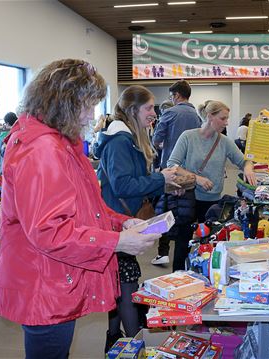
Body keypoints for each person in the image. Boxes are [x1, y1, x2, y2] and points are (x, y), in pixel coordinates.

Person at [0, 59, 161, 359]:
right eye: (88, 105)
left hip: (52, 278)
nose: (92, 114)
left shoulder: (61, 143)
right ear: (66, 103)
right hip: (43, 283)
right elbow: (50, 231)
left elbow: (87, 207)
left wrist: (120, 223)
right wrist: (119, 242)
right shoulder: (42, 149)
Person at [94, 85, 178, 345]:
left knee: (118, 285)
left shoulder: (127, 137)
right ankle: (134, 345)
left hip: (121, 222)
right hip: (117, 224)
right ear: (133, 110)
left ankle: (112, 340)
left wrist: (159, 181)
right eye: (149, 108)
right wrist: (160, 179)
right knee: (127, 287)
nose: (154, 113)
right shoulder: (120, 140)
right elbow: (122, 185)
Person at [167, 100, 257, 271]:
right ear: (210, 116)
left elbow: (244, 160)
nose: (226, 122)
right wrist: (197, 179)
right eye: (223, 118)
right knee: (183, 242)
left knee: (209, 244)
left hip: (211, 202)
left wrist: (248, 168)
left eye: (227, 118)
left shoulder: (224, 142)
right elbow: (172, 164)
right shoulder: (188, 137)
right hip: (188, 199)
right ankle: (177, 277)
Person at [151, 80, 202, 265]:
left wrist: (166, 145)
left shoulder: (170, 113)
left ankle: (162, 251)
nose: (171, 99)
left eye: (172, 96)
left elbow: (156, 140)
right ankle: (183, 257)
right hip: (189, 173)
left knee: (165, 211)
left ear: (177, 95)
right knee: (186, 214)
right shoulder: (196, 116)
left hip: (170, 170)